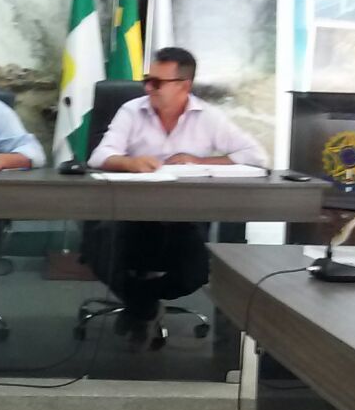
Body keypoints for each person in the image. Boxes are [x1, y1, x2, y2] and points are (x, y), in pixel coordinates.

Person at [85, 47, 268, 342]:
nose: (148, 88)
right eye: (147, 80)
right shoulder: (132, 111)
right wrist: (130, 162)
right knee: (99, 251)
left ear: (184, 86)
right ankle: (145, 309)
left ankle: (141, 303)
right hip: (132, 214)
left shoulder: (207, 117)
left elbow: (256, 156)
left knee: (195, 273)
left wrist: (199, 161)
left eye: (157, 83)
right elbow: (99, 156)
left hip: (184, 218)